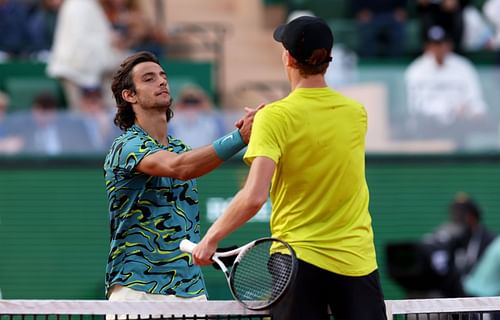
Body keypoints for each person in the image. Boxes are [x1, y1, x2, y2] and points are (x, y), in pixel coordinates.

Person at [192, 16, 387, 320]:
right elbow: (315, 131)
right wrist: (272, 121)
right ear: (327, 60)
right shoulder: (356, 114)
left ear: (288, 58)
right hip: (356, 261)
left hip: (297, 260)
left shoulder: (275, 118)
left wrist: (210, 239)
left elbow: (254, 197)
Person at [104, 51, 260, 304]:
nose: (162, 82)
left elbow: (185, 165)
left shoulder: (180, 148)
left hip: (190, 290)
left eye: (163, 76)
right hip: (138, 289)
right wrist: (239, 138)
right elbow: (181, 168)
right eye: (149, 78)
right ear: (129, 95)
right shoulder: (126, 146)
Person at [405, 25, 489, 146]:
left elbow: (476, 101)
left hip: (460, 125)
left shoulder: (463, 67)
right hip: (428, 126)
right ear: (427, 46)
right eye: (435, 44)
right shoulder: (415, 70)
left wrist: (471, 111)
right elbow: (413, 107)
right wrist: (444, 110)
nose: (439, 48)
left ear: (449, 45)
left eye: (443, 43)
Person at [47, 0, 125, 111]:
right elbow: (80, 44)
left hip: (87, 72)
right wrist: (110, 40)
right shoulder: (78, 5)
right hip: (76, 73)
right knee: (83, 121)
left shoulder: (89, 4)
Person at [420, 192, 496, 297]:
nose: (457, 218)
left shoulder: (490, 242)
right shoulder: (449, 237)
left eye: (462, 214)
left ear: (473, 217)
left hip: (479, 299)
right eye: (455, 213)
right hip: (451, 297)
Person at [169, 84, 226, 148]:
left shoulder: (214, 119)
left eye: (195, 102)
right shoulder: (173, 121)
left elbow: (223, 140)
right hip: (182, 155)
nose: (190, 106)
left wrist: (206, 107)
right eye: (186, 101)